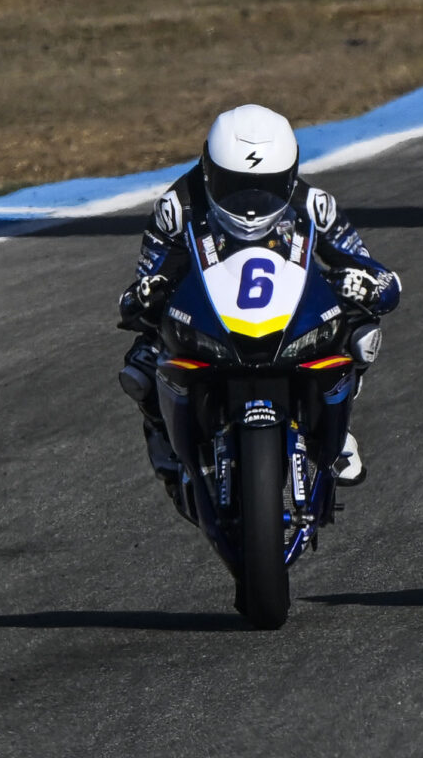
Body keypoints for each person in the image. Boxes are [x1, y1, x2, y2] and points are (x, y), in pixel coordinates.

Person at [115, 103, 402, 496]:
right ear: (208, 170)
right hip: (210, 312)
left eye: (267, 188)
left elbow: (377, 274)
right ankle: (164, 435)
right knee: (141, 365)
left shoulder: (314, 205)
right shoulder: (177, 207)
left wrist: (366, 285)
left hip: (291, 310)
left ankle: (336, 425)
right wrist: (147, 294)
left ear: (290, 176)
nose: (250, 206)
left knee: (362, 332)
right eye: (235, 186)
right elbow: (146, 282)